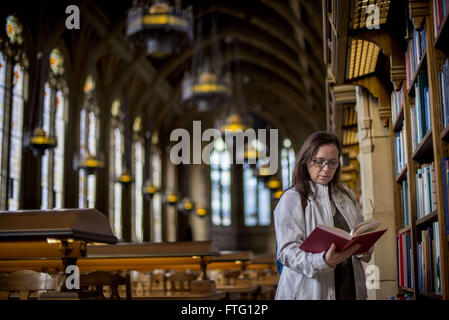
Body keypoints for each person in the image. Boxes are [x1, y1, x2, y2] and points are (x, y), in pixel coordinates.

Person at [274, 131, 373, 300]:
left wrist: (365, 246)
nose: (326, 169)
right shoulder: (293, 197)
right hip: (310, 291)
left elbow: (359, 239)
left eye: (333, 163)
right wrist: (324, 261)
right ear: (306, 161)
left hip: (350, 288)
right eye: (319, 162)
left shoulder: (346, 195)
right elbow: (286, 252)